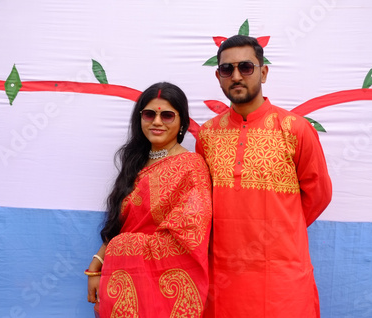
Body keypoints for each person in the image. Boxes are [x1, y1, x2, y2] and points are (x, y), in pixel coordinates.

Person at [195, 35, 332, 317]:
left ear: (263, 72)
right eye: (226, 69)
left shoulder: (295, 129)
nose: (236, 76)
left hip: (282, 272)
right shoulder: (207, 135)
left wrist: (281, 229)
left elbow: (318, 193)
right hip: (224, 273)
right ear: (218, 76)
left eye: (246, 67)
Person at [87, 82, 212, 318]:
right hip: (118, 281)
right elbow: (122, 225)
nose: (157, 122)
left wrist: (123, 246)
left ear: (182, 122)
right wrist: (96, 266)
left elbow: (189, 236)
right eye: (149, 114)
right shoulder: (135, 164)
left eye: (167, 115)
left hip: (160, 289)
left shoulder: (191, 166)